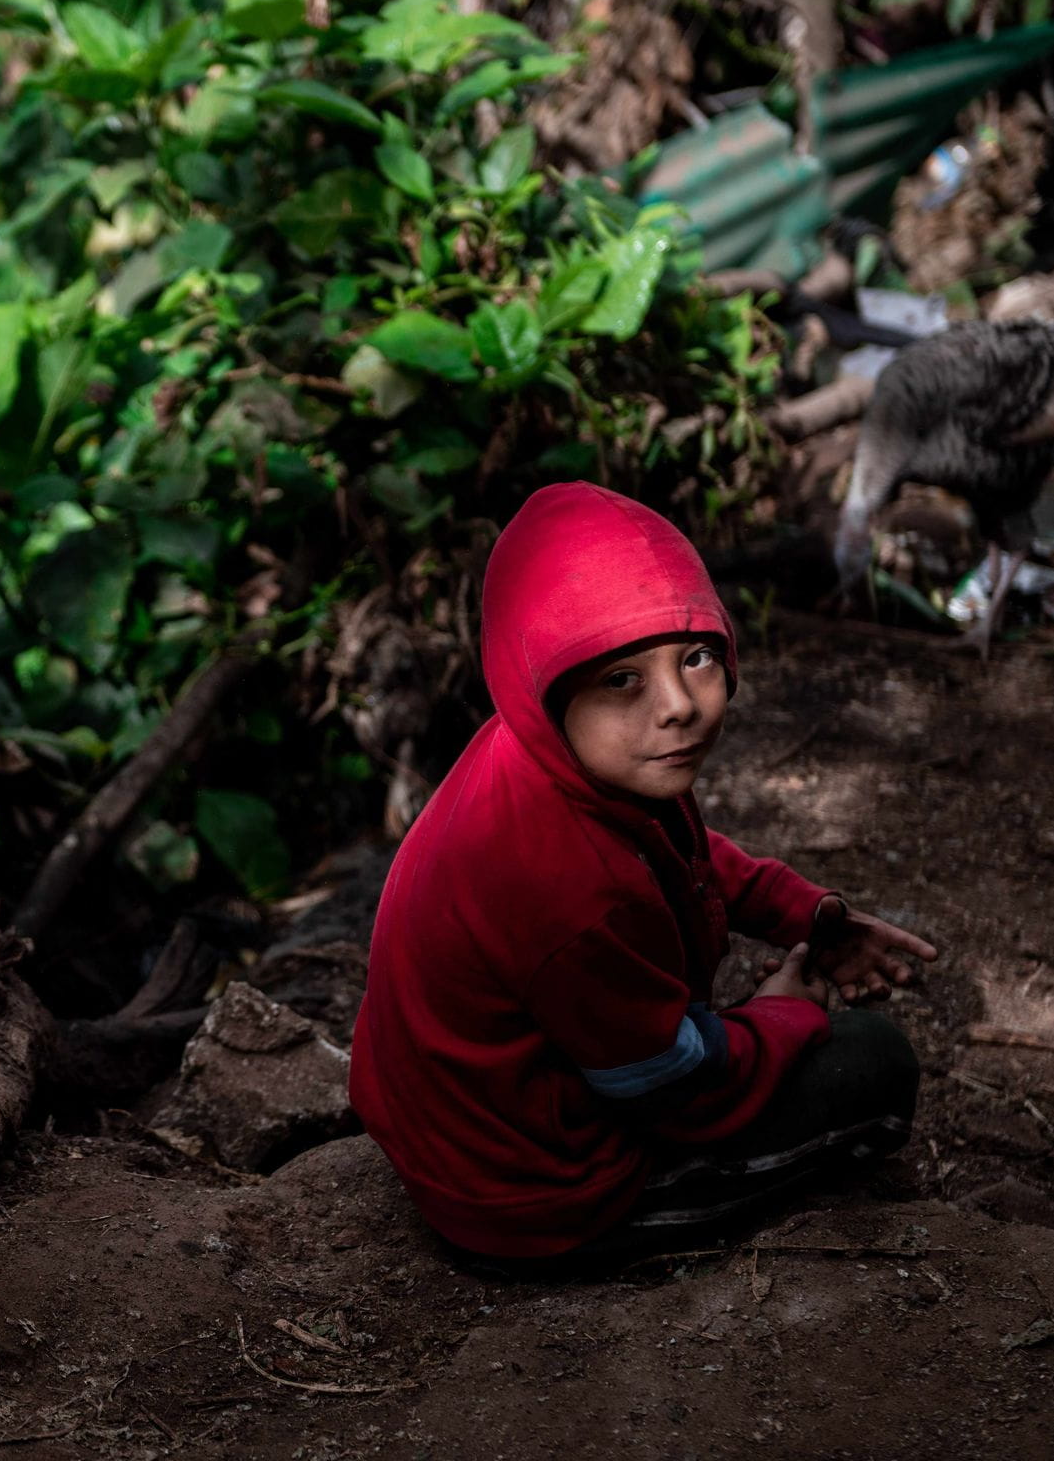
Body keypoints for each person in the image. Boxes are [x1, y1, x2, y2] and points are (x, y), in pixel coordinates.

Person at [349, 481, 938, 1278]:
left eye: (696, 657)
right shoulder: (573, 891)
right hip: (529, 1198)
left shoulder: (548, 756)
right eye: (621, 679)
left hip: (480, 1117)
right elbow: (675, 1087)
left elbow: (686, 852)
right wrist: (785, 1016)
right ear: (549, 690)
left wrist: (805, 915)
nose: (678, 707)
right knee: (873, 1064)